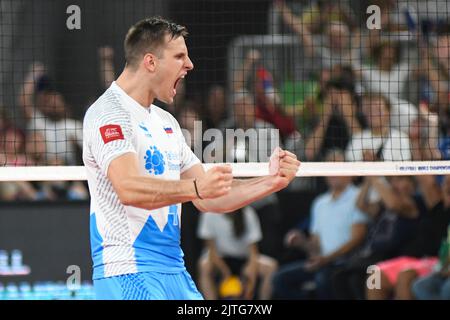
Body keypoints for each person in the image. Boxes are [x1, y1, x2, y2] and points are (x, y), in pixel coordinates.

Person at [82, 17, 300, 300]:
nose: (189, 64)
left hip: (174, 271)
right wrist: (196, 188)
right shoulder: (109, 113)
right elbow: (128, 188)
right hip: (127, 272)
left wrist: (271, 182)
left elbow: (209, 197)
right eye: (179, 56)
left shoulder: (166, 122)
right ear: (150, 62)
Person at [271, 149, 368, 299]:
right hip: (322, 263)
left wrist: (326, 259)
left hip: (346, 264)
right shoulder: (320, 203)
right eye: (329, 167)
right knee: (280, 279)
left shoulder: (359, 197)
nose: (333, 172)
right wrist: (301, 241)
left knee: (322, 280)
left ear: (350, 171)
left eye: (338, 167)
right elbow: (315, 245)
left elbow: (357, 238)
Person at [197, 206, 278, 300]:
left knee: (271, 266)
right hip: (220, 259)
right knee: (204, 265)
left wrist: (250, 274)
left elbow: (253, 251)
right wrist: (225, 272)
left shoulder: (248, 212)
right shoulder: (209, 213)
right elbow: (211, 250)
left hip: (243, 258)